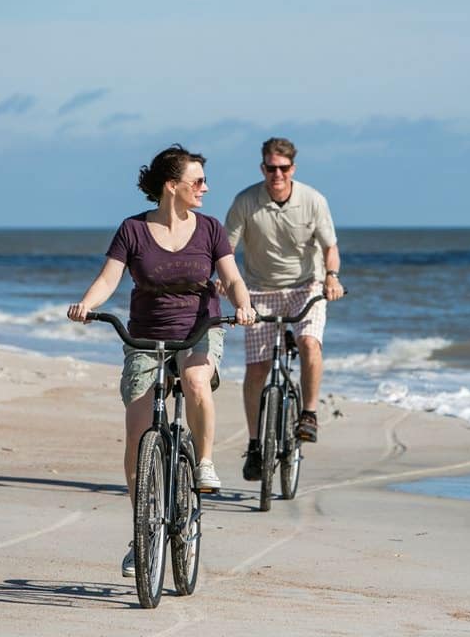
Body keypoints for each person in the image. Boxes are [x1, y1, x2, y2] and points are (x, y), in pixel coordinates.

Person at [68, 144, 254, 576]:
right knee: (136, 436)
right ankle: (142, 530)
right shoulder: (132, 230)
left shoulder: (210, 229)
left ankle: (203, 462)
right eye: (198, 181)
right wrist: (85, 304)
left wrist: (242, 306)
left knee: (194, 382)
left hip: (199, 328)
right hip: (145, 335)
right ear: (173, 186)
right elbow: (109, 278)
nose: (206, 188)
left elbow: (232, 278)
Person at [225, 137, 344, 481]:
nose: (277, 174)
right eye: (270, 167)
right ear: (262, 167)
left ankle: (308, 413)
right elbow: (225, 250)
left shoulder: (313, 200)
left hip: (306, 286)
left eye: (283, 168)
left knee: (309, 343)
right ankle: (254, 444)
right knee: (258, 368)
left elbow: (330, 247)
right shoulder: (246, 202)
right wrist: (223, 280)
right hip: (259, 289)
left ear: (293, 168)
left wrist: (332, 277)